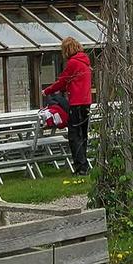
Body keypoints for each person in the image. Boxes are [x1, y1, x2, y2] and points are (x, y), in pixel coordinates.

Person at [43, 37, 93, 175]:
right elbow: (69, 82)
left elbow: (62, 81)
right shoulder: (85, 62)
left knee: (74, 135)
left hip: (76, 103)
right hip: (86, 102)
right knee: (83, 134)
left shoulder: (73, 63)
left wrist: (47, 91)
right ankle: (84, 164)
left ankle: (80, 167)